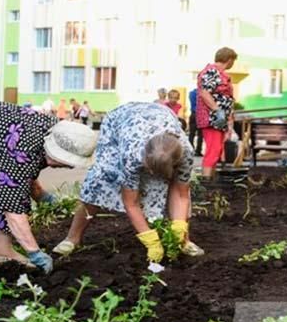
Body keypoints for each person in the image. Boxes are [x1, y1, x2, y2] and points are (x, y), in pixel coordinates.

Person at [0, 101, 96, 273]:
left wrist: (41, 195)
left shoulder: (53, 131)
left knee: (2, 187)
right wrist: (34, 252)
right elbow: (13, 207)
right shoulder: (24, 146)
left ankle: (2, 250)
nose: (67, 167)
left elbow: (16, 176)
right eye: (65, 161)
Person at [52, 102, 203, 259]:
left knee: (168, 187)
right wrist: (149, 239)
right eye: (148, 169)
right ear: (144, 157)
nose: (150, 173)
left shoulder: (186, 153)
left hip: (159, 117)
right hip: (118, 123)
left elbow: (180, 193)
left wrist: (179, 226)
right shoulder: (132, 153)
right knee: (99, 179)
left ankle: (184, 241)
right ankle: (72, 238)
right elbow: (130, 202)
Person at [196, 47, 237, 180]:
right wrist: (217, 110)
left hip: (219, 118)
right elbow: (204, 92)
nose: (233, 64)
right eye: (233, 61)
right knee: (213, 151)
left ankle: (210, 181)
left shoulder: (220, 73)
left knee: (217, 150)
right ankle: (206, 184)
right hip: (211, 118)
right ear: (229, 60)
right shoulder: (211, 71)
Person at [188, 88, 203, 156]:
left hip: (193, 114)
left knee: (192, 133)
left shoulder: (191, 93)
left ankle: (190, 150)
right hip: (201, 114)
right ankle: (198, 151)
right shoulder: (203, 93)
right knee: (200, 134)